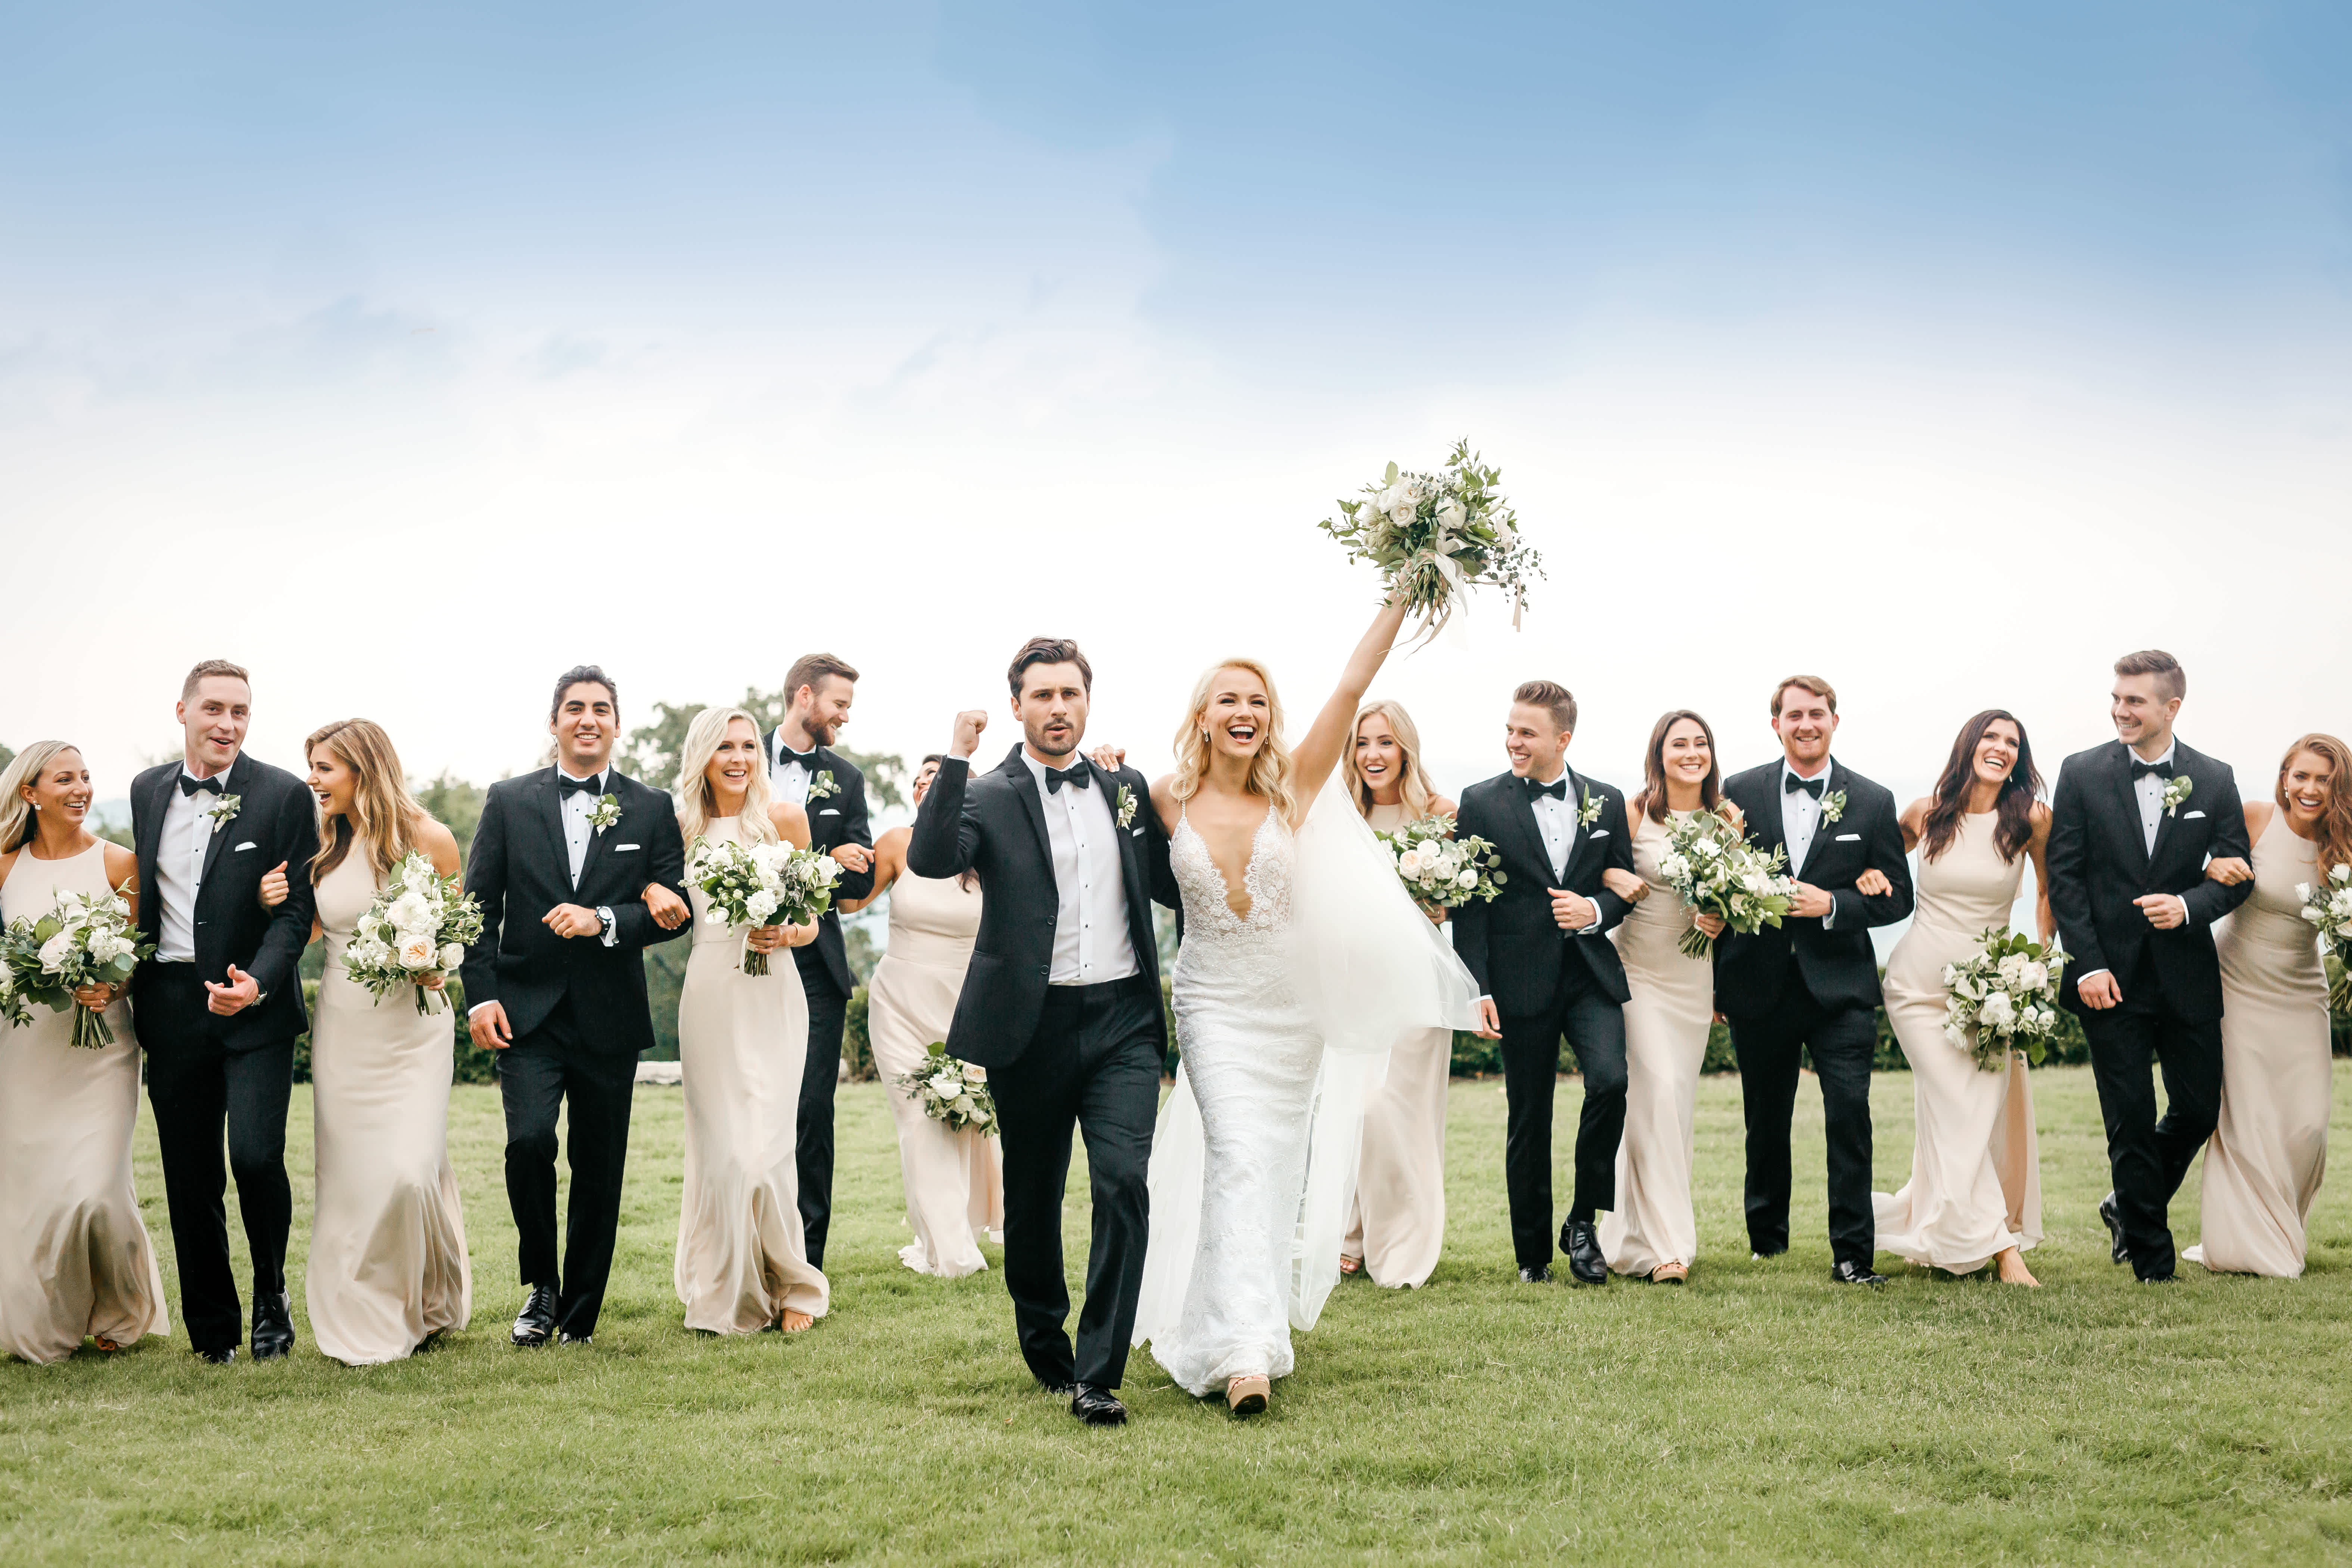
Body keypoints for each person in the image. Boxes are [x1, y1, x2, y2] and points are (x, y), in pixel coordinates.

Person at [1133, 595, 1477, 1418]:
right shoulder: (1163, 796)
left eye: (1258, 701)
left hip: (1291, 1014)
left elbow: (1354, 684)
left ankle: (1234, 1327)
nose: (1245, 712)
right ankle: (1243, 1354)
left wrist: (1406, 590)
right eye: (1229, 700)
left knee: (1271, 1171)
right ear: (1202, 717)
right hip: (1213, 1004)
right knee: (1238, 1156)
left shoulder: (1294, 789)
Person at [907, 639, 1176, 1428]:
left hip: (1124, 1020)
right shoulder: (987, 794)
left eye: (1070, 694)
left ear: (1087, 700)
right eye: (1043, 695)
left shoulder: (1125, 788)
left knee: (1123, 1183)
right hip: (1031, 1025)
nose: (1059, 708)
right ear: (1017, 706)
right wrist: (957, 757)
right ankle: (1046, 1347)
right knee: (1032, 1198)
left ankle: (1100, 1372)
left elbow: (1172, 879)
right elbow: (930, 859)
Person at [462, 666, 690, 1346]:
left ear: (617, 725)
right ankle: (542, 1285)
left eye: (600, 709)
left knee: (599, 1168)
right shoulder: (508, 801)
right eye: (574, 708)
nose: (588, 719)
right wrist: (481, 997)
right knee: (529, 1143)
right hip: (524, 1012)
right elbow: (479, 909)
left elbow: (674, 910)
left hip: (609, 1016)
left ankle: (581, 1314)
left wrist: (606, 920)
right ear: (554, 722)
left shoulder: (651, 807)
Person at [258, 719, 472, 1362]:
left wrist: (439, 963)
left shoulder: (429, 838)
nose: (313, 780)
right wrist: (272, 901)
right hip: (346, 1024)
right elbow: (311, 928)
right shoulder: (321, 843)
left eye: (324, 768)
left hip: (415, 1027)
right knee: (354, 1176)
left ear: (364, 769)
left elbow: (457, 928)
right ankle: (364, 1305)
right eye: (312, 767)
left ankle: (425, 1293)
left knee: (409, 1172)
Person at [128, 660, 320, 1363]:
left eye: (240, 711)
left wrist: (258, 983)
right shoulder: (147, 790)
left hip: (256, 1006)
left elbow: (297, 913)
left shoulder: (284, 794)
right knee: (190, 1174)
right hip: (171, 1006)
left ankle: (272, 1294)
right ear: (182, 712)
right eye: (214, 709)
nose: (228, 724)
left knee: (256, 1158)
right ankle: (212, 1330)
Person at [2046, 650, 2252, 1284]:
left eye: (2134, 701)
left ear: (2172, 707)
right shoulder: (2081, 772)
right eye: (2117, 698)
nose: (2120, 710)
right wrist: (2087, 966)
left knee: (2198, 1111)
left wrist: (2189, 906)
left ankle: (2126, 1206)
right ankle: (2153, 1263)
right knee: (2129, 1120)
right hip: (2108, 980)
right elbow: (2065, 877)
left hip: (2187, 976)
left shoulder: (2214, 779)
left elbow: (2238, 873)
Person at [1714, 675, 1913, 1285]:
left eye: (1817, 714)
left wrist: (1834, 904)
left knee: (1849, 1116)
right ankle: (1767, 1241)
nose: (1806, 724)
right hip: (1759, 985)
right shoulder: (1737, 792)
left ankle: (1852, 1255)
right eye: (1794, 714)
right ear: (1776, 724)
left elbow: (1898, 897)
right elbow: (1715, 884)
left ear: (1834, 721)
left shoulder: (1873, 800)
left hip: (1841, 990)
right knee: (1765, 1120)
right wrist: (1717, 984)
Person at [1453, 681, 1636, 1287]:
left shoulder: (1607, 801)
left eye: (1526, 732)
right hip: (1518, 980)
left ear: (1563, 739)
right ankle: (1532, 1257)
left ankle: (1583, 1222)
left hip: (1589, 975)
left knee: (1610, 1081)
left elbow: (1621, 885)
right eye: (1510, 730)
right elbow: (1471, 906)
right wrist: (1479, 989)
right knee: (1530, 1117)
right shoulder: (1481, 802)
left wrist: (1596, 910)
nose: (1513, 741)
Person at [1868, 711, 2051, 1286]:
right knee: (1955, 1106)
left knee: (1971, 1117)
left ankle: (1939, 1223)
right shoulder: (1924, 813)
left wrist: (2041, 965)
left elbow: (2048, 893)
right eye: (1991, 737)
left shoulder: (2032, 819)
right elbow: (1874, 862)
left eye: (2012, 742)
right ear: (1969, 745)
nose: (2001, 748)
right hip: (1917, 989)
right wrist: (1868, 880)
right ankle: (2002, 1250)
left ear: (2019, 758)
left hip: (1992, 993)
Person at [0, 743, 169, 1363]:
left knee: (96, 1191)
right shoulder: (5, 867)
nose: (81, 789)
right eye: (65, 779)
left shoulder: (120, 863)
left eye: (87, 778)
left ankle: (121, 1309)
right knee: (37, 1192)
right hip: (26, 1052)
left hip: (101, 1051)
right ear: (31, 794)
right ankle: (51, 1316)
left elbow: (139, 957)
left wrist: (112, 986)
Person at [665, 706, 829, 1333]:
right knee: (725, 1154)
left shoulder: (783, 819)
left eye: (748, 747)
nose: (739, 759)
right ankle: (727, 1285)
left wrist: (786, 932)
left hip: (773, 993)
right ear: (702, 757)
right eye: (725, 748)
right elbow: (659, 897)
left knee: (768, 1153)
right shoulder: (680, 827)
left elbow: (812, 920)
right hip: (711, 993)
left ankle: (794, 1286)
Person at [2182, 733, 2347, 1277]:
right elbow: (2193, 871)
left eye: (2324, 780)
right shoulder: (2256, 819)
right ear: (2285, 778)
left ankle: (2281, 1226)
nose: (2311, 788)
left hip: (2303, 992)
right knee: (2248, 1118)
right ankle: (2248, 1246)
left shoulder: (2344, 847)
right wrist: (2212, 871)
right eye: (2302, 776)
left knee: (2307, 1126)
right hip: (2238, 984)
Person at [839, 754, 1002, 1279]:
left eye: (939, 776)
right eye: (919, 780)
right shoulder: (897, 844)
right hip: (900, 1004)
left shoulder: (992, 851)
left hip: (967, 1004)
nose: (926, 784)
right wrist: (830, 859)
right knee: (919, 1121)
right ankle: (953, 1253)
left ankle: (955, 1229)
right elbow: (848, 905)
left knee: (967, 1121)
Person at [1595, 711, 1729, 1285]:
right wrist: (1614, 879)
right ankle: (1670, 1247)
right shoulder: (1635, 811)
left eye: (1701, 744)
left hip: (1693, 977)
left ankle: (1630, 1239)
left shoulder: (1727, 820)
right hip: (1637, 973)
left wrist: (1721, 917)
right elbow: (1596, 872)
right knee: (1658, 1091)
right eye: (1680, 744)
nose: (1692, 753)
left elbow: (1736, 897)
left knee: (1673, 1106)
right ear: (1660, 754)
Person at [760, 653, 877, 1272]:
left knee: (811, 1112)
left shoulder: (846, 779)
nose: (845, 717)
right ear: (805, 696)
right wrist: (827, 860)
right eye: (840, 704)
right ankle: (749, 1252)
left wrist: (843, 864)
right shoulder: (738, 757)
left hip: (816, 965)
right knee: (751, 1109)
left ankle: (807, 1264)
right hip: (745, 958)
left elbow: (858, 886)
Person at [1337, 699, 1455, 1289]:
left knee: (1400, 1115)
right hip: (1356, 985)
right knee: (1356, 1111)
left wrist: (1440, 906)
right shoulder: (1342, 815)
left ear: (1405, 749)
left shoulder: (1440, 814)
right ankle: (1353, 1232)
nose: (1373, 754)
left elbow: (1462, 900)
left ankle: (1404, 1242)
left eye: (1384, 742)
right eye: (1363, 743)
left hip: (1416, 989)